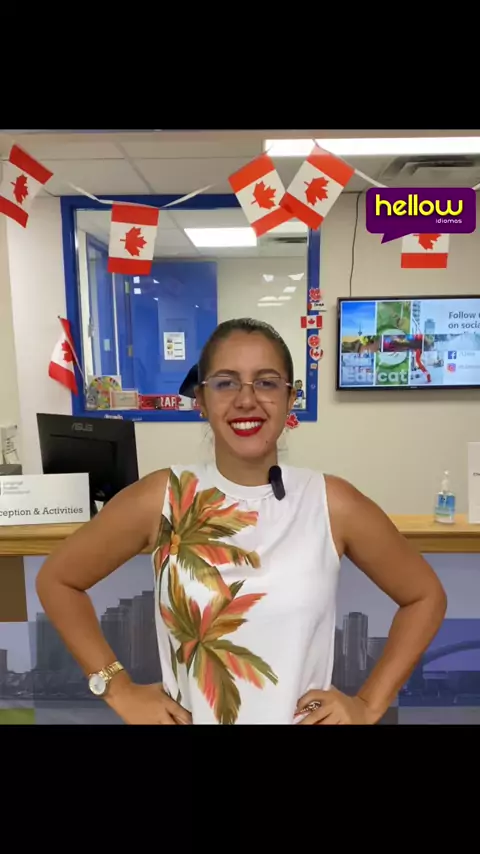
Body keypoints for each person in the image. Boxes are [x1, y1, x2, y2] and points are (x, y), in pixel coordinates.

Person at [36, 317, 447, 725]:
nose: (246, 400)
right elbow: (58, 580)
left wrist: (368, 704)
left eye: (266, 382)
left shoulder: (331, 503)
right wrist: (117, 688)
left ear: (289, 398)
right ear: (201, 399)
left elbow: (425, 597)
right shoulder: (163, 497)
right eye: (226, 383)